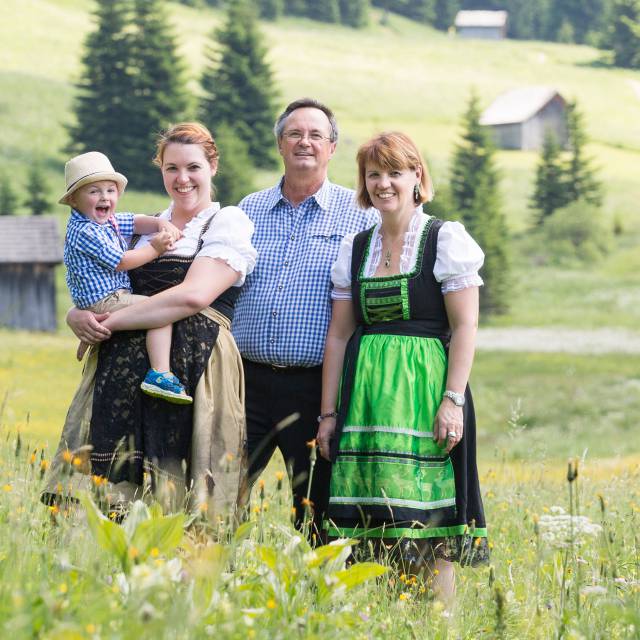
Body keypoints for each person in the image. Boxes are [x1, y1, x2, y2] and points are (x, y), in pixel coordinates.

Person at [44, 122, 257, 518]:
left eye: (193, 167)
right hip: (121, 368)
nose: (182, 178)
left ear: (213, 166)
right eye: (171, 168)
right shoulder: (138, 227)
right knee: (113, 492)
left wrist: (105, 324)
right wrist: (77, 315)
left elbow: (193, 296)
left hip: (197, 362)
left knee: (184, 492)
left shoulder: (226, 222)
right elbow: (99, 282)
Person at [317, 132, 489, 602]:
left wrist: (452, 400)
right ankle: (383, 618)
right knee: (371, 519)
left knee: (428, 521)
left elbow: (466, 325)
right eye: (374, 174)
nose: (384, 183)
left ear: (417, 177)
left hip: (425, 393)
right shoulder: (356, 249)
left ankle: (439, 626)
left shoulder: (443, 238)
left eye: (395, 172)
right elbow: (338, 334)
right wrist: (328, 414)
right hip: (367, 399)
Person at [233, 98, 378, 537]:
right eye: (295, 133)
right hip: (244, 382)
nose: (305, 142)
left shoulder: (360, 215)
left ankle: (314, 595)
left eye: (316, 135)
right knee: (219, 492)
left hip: (316, 387)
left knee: (314, 509)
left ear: (332, 148)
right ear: (280, 143)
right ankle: (210, 584)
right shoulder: (247, 210)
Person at [61, 151, 192, 404]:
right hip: (104, 300)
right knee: (160, 313)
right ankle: (160, 373)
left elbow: (135, 221)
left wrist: (160, 224)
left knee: (157, 309)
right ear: (73, 200)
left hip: (109, 297)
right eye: (94, 191)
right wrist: (155, 248)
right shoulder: (86, 230)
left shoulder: (105, 221)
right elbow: (122, 262)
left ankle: (159, 372)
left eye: (110, 191)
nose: (104, 197)